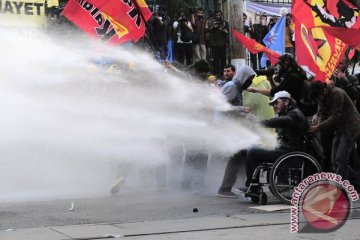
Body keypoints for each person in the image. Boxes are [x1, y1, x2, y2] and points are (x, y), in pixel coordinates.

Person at [217, 91, 309, 197]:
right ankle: (243, 186)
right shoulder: (290, 113)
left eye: (276, 103)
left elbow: (280, 121)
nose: (275, 106)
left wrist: (259, 123)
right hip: (284, 150)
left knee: (252, 152)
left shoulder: (294, 115)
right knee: (247, 149)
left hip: (288, 152)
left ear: (286, 101)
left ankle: (253, 187)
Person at [309, 81, 360, 187]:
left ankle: (341, 189)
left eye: (318, 97)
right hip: (340, 128)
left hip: (350, 127)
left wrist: (318, 127)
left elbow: (335, 117)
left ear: (324, 90)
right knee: (334, 160)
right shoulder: (322, 96)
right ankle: (357, 182)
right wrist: (318, 120)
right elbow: (323, 112)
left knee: (341, 159)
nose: (318, 100)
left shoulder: (337, 94)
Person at [208, 10, 229, 77]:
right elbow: (209, 31)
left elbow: (227, 32)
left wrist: (221, 29)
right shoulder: (212, 22)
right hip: (214, 44)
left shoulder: (225, 23)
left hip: (222, 44)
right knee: (215, 59)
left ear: (221, 15)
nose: (218, 16)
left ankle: (223, 73)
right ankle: (216, 72)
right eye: (216, 15)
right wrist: (213, 27)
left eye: (219, 15)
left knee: (223, 59)